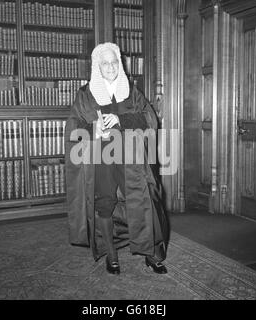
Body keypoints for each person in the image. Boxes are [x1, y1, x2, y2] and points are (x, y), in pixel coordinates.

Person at [65, 42, 169, 275]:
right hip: (101, 158)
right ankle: (111, 255)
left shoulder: (131, 91)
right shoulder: (85, 95)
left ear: (119, 64)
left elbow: (150, 120)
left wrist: (122, 121)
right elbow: (74, 128)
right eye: (105, 63)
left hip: (131, 158)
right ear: (97, 67)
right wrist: (94, 130)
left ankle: (150, 253)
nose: (110, 67)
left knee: (145, 200)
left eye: (114, 62)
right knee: (104, 204)